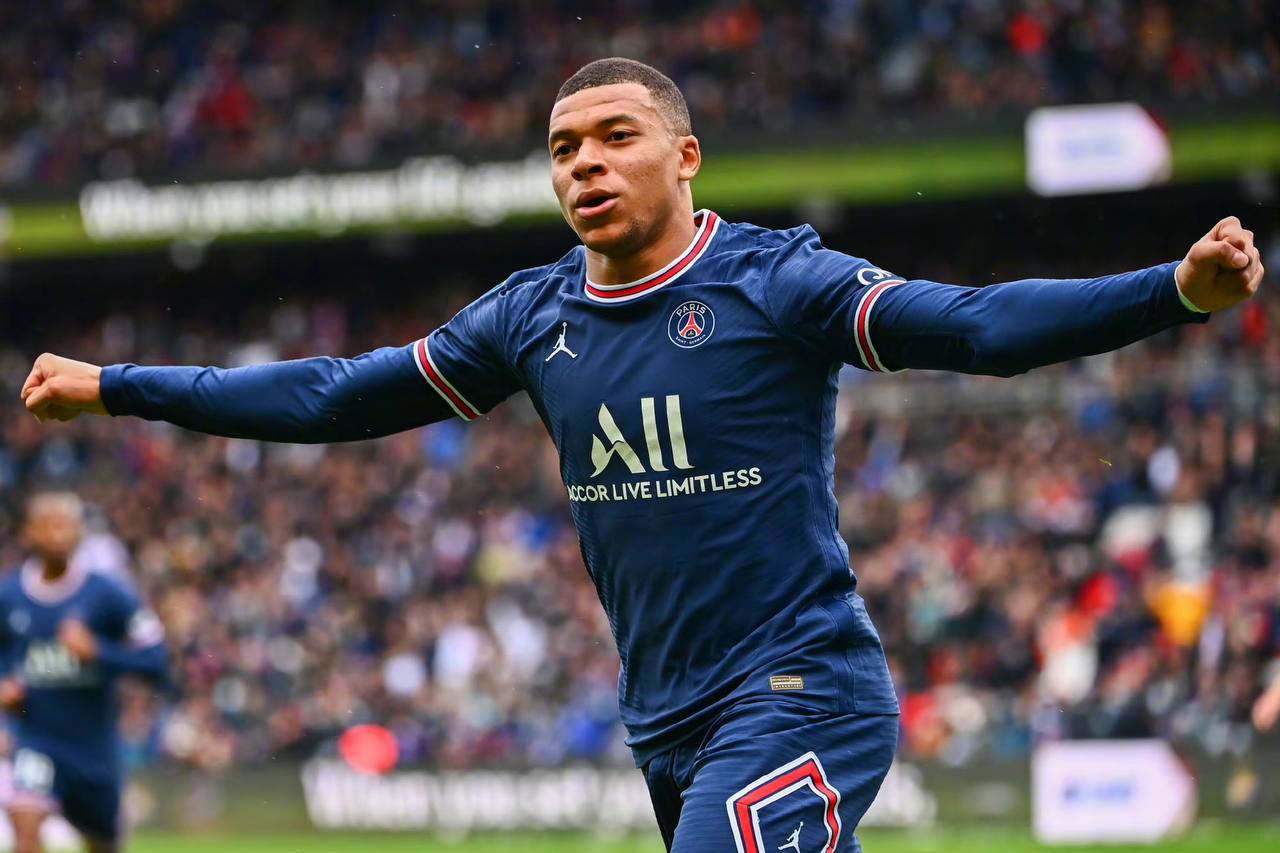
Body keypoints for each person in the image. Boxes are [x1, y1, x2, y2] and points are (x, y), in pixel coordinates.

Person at [18, 58, 1264, 851]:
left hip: (800, 693)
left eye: (613, 136)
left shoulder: (775, 281)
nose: (585, 165)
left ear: (683, 155)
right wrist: (124, 387)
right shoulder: (529, 315)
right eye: (563, 149)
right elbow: (340, 394)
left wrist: (1172, 289)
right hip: (663, 719)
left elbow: (978, 326)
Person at [0, 493, 168, 853]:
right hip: (37, 740)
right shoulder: (8, 596)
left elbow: (156, 660)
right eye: (47, 526)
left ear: (79, 533)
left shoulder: (109, 595)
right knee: (25, 821)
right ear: (28, 533)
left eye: (64, 526)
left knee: (104, 843)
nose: (56, 536)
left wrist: (99, 652)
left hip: (94, 750)